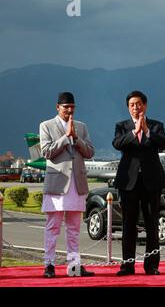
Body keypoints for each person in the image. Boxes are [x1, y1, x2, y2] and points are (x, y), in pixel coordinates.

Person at [113, 90, 165, 276]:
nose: (136, 108)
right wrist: (134, 132)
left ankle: (151, 265)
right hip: (129, 182)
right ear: (128, 107)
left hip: (151, 181)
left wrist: (146, 131)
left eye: (139, 104)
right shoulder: (122, 126)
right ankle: (127, 266)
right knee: (129, 224)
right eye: (132, 105)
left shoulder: (156, 126)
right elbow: (117, 143)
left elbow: (163, 144)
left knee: (151, 223)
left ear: (145, 105)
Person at [40, 92, 95, 278]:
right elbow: (46, 152)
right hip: (57, 183)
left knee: (74, 228)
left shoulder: (82, 126)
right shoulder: (46, 125)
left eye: (72, 107)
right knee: (53, 227)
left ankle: (74, 266)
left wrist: (76, 139)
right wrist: (65, 137)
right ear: (58, 108)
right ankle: (49, 264)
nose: (70, 111)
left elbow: (90, 152)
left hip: (77, 184)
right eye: (66, 108)